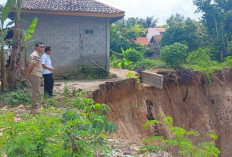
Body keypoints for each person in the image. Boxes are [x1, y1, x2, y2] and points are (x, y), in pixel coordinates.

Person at [25, 42, 44, 114]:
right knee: (35, 92)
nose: (42, 48)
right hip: (35, 75)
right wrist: (28, 74)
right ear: (36, 47)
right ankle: (34, 108)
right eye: (40, 47)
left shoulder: (37, 55)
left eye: (43, 47)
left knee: (37, 91)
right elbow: (31, 65)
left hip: (37, 75)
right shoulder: (35, 55)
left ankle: (35, 106)